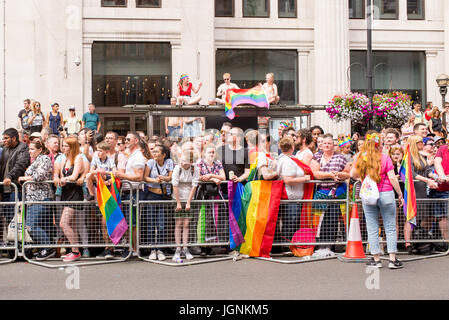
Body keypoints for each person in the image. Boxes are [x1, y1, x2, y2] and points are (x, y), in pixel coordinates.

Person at [350, 131, 404, 269]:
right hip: (386, 193)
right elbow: (392, 178)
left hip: (369, 195)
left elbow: (353, 174)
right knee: (390, 227)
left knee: (372, 227)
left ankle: (376, 259)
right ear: (378, 144)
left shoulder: (362, 158)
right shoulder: (385, 158)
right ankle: (392, 259)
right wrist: (400, 194)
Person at [310, 133, 350, 256]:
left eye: (329, 143)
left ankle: (330, 245)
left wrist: (338, 174)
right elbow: (315, 173)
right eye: (325, 143)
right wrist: (330, 175)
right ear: (321, 145)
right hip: (322, 192)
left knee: (333, 220)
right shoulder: (316, 158)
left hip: (336, 193)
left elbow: (348, 173)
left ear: (333, 145)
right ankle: (320, 245)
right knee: (319, 220)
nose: (327, 145)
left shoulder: (341, 158)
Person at [18, 139, 55, 260]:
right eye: (29, 149)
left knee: (31, 226)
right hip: (32, 198)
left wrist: (24, 178)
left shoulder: (45, 159)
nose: (29, 151)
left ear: (40, 149)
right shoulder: (35, 161)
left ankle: (48, 248)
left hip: (41, 197)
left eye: (32, 149)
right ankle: (44, 248)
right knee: (38, 225)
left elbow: (39, 176)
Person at [112, 132, 146, 257]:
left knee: (134, 223)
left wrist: (121, 175)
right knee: (130, 223)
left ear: (136, 141)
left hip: (134, 192)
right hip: (128, 192)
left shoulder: (138, 157)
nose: (125, 141)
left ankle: (136, 250)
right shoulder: (131, 155)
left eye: (128, 139)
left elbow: (139, 176)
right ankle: (132, 248)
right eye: (125, 139)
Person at [404, 135, 438, 253]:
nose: (422, 144)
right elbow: (411, 173)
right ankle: (408, 243)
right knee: (411, 217)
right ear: (415, 143)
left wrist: (433, 176)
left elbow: (427, 170)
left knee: (422, 216)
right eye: (420, 142)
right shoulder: (409, 157)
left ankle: (419, 240)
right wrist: (427, 180)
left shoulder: (421, 156)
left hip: (422, 190)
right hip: (413, 191)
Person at [276, 136, 310, 249]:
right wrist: (304, 178)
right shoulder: (287, 161)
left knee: (289, 222)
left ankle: (286, 245)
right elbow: (288, 180)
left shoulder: (285, 159)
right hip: (291, 197)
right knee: (290, 222)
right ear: (292, 147)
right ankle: (287, 246)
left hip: (291, 196)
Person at [143, 144, 174, 261]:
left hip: (164, 196)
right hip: (151, 195)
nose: (154, 153)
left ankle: (160, 249)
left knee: (161, 224)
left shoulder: (169, 162)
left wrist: (164, 178)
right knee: (151, 223)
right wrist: (154, 180)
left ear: (164, 154)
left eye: (157, 152)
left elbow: (170, 176)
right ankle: (152, 249)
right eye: (153, 151)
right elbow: (145, 178)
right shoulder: (150, 162)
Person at [197, 145, 226, 256]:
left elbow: (223, 177)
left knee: (215, 220)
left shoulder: (217, 163)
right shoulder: (200, 163)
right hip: (203, 195)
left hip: (216, 195)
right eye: (209, 152)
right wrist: (214, 178)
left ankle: (210, 246)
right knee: (203, 220)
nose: (211, 154)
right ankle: (203, 247)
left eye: (213, 152)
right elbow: (198, 176)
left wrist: (210, 175)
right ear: (204, 153)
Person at [58, 136, 84, 262]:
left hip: (75, 193)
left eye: (66, 146)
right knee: (71, 224)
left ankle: (75, 251)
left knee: (63, 223)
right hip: (65, 192)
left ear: (72, 147)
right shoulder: (65, 158)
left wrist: (65, 179)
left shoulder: (78, 158)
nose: (63, 148)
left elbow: (74, 176)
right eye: (62, 145)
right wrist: (62, 181)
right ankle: (74, 250)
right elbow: (62, 175)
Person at [171, 151, 200, 261]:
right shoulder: (177, 169)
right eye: (181, 161)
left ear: (191, 162)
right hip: (177, 197)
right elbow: (175, 185)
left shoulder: (195, 169)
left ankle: (185, 247)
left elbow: (194, 185)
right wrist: (178, 202)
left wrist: (188, 202)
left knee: (187, 223)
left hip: (188, 198)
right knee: (178, 223)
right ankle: (178, 249)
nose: (182, 163)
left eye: (185, 162)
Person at [0, 128, 30, 210]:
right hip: (5, 188)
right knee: (7, 216)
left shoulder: (23, 147)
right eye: (3, 138)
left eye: (6, 138)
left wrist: (9, 176)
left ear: (13, 138)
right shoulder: (5, 149)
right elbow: (1, 167)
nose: (4, 140)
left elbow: (20, 165)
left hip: (16, 188)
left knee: (14, 217)